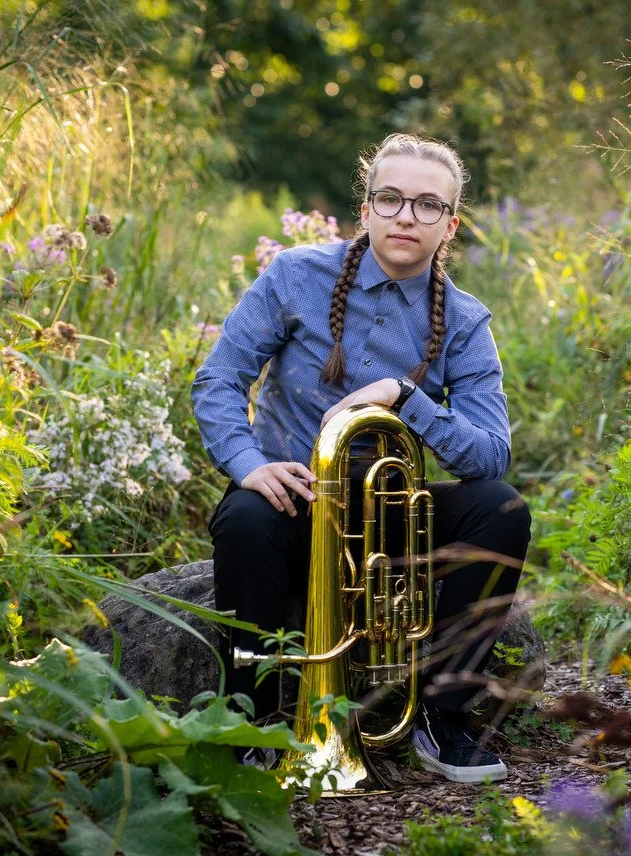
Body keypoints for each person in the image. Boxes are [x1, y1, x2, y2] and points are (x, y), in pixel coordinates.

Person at [191, 133, 530, 784]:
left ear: (450, 225)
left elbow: (490, 457)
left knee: (502, 509)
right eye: (392, 199)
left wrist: (407, 398)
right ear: (366, 210)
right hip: (294, 502)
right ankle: (252, 727)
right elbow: (219, 379)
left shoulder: (463, 320)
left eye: (428, 205)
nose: (407, 216)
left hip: (388, 522)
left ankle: (442, 713)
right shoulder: (295, 276)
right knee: (243, 519)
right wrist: (248, 465)